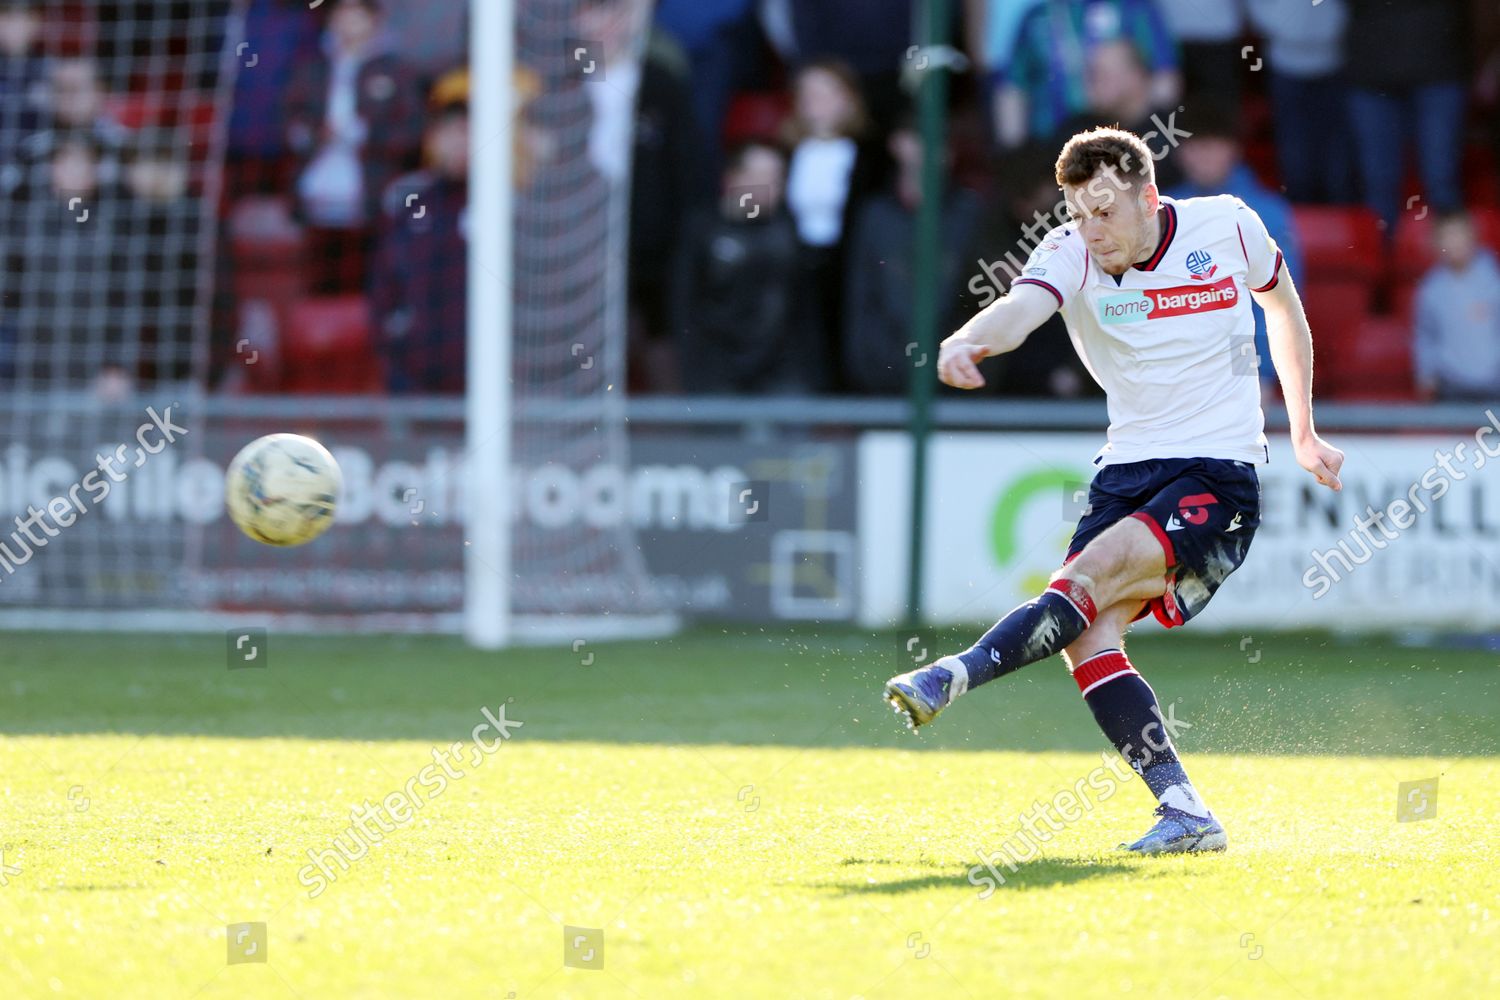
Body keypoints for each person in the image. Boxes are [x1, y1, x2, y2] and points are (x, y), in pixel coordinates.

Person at [883, 126, 1344, 855]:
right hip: (1125, 470)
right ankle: (1185, 811)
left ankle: (954, 673)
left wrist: (1303, 430)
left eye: (1105, 211)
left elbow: (1283, 311)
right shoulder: (1070, 254)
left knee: (1083, 582)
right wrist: (967, 339)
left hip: (1216, 471)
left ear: (1148, 196)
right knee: (1087, 632)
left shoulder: (1227, 225)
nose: (1091, 230)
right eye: (1077, 212)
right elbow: (1019, 312)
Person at [284, 0, 422, 291]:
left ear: (374, 21)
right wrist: (316, 135)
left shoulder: (397, 72)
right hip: (316, 201)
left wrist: (365, 135)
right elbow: (288, 126)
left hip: (373, 202)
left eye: (356, 15)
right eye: (341, 14)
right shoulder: (311, 70)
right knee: (320, 284)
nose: (347, 23)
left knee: (370, 282)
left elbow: (412, 134)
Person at [1168, 101, 1304, 396]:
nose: (1203, 157)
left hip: (1239, 360)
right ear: (1180, 154)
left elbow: (1276, 301)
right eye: (1195, 147)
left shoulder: (1267, 214)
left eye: (1212, 146)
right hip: (1173, 367)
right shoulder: (1161, 213)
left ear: (1232, 150)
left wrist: (1258, 373)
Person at [842, 116, 979, 393]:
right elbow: (861, 298)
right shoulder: (874, 215)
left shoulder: (970, 214)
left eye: (941, 144)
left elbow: (977, 298)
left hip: (954, 379)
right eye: (920, 140)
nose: (930, 151)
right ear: (898, 145)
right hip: (882, 379)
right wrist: (870, 369)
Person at [671, 140, 813, 393]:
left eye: (777, 178)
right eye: (761, 176)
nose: (771, 187)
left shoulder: (789, 230)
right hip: (716, 373)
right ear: (733, 178)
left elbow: (802, 309)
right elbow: (684, 303)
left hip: (780, 373)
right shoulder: (703, 228)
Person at [782, 58, 883, 390]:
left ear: (849, 98)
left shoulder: (870, 155)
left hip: (848, 264)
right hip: (795, 262)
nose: (816, 101)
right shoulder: (785, 151)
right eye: (809, 93)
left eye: (827, 92)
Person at [371, 70, 469, 394]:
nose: (459, 143)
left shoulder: (507, 207)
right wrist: (393, 338)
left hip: (483, 374)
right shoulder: (408, 200)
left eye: (468, 132)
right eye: (450, 132)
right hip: (413, 373)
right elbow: (384, 282)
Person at [1343, 0, 1469, 233]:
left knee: (1441, 179)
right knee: (1379, 185)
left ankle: (1453, 268)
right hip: (1372, 73)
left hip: (1438, 68)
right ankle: (1381, 265)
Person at [992, 0, 1179, 150]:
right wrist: (1014, 154)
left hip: (1129, 136)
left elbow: (1165, 75)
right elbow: (1013, 88)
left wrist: (1152, 127)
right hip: (1050, 142)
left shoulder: (1135, 8)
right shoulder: (1037, 17)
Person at [1245, 0, 1353, 205]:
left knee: (1336, 151)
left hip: (1335, 60)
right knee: (1294, 145)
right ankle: (1299, 213)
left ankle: (1342, 213)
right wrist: (1282, 27)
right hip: (1284, 62)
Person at [1412, 212, 1500, 402]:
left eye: (1459, 235)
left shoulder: (1494, 280)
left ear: (1473, 237)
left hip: (1495, 383)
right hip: (1451, 385)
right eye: (1447, 237)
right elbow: (1425, 336)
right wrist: (1426, 374)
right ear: (1435, 243)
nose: (1454, 243)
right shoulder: (1430, 289)